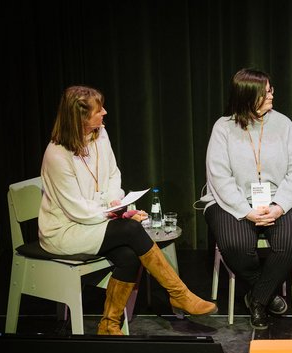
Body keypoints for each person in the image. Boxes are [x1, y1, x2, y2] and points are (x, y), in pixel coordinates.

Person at [39, 85, 217, 335]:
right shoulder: (56, 155)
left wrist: (115, 202)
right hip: (64, 231)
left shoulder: (99, 135)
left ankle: (109, 324)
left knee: (128, 255)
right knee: (132, 230)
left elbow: (113, 174)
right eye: (98, 109)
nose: (105, 113)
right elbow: (76, 209)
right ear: (79, 116)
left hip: (93, 222)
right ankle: (179, 294)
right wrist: (113, 214)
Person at [203, 69, 292, 330]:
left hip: (279, 199)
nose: (272, 95)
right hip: (231, 200)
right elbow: (219, 177)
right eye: (266, 91)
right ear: (248, 96)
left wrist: (279, 206)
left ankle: (257, 298)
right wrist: (244, 210)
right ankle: (268, 293)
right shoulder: (223, 128)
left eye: (271, 89)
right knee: (236, 243)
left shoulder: (283, 124)